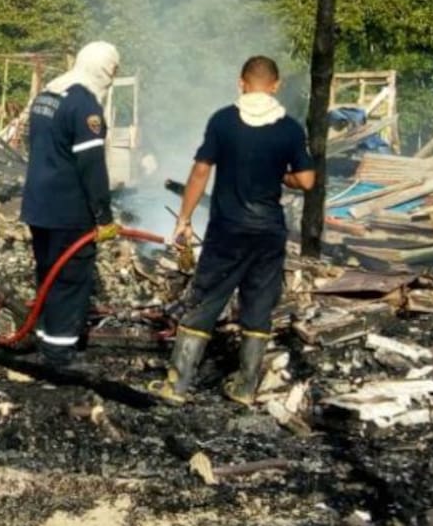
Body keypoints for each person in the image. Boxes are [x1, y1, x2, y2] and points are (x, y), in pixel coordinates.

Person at [152, 56, 315, 406]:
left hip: (227, 230)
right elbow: (306, 180)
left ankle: (177, 387)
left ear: (240, 82)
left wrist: (183, 218)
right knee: (258, 308)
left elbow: (199, 172)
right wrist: (279, 174)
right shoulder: (289, 128)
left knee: (205, 300)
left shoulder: (223, 121)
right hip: (268, 232)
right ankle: (244, 388)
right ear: (276, 85)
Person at [20, 41, 121, 370]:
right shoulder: (84, 105)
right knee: (70, 278)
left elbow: (32, 142)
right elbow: (92, 166)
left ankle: (43, 336)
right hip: (68, 209)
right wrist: (103, 215)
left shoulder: (48, 94)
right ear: (104, 68)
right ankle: (59, 354)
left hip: (38, 204)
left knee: (47, 272)